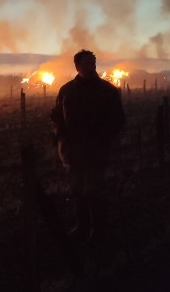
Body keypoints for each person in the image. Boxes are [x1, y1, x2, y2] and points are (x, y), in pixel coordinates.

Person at [51, 50, 126, 257]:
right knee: (77, 191)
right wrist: (61, 143)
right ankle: (82, 228)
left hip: (96, 151)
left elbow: (118, 119)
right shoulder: (66, 91)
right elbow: (57, 119)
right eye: (86, 64)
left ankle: (98, 231)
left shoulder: (107, 91)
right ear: (77, 67)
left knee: (94, 191)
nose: (90, 67)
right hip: (73, 152)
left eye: (93, 63)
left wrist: (102, 138)